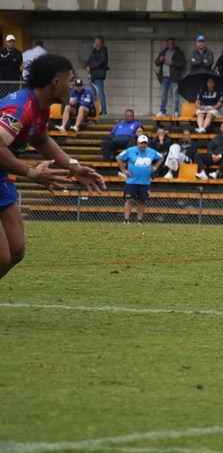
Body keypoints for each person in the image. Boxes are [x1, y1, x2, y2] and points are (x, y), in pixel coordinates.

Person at [0, 54, 106, 279]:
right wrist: (33, 172)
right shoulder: (20, 109)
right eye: (69, 80)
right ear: (56, 83)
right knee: (2, 256)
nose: (72, 87)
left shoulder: (41, 108)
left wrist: (74, 167)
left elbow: (42, 140)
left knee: (16, 250)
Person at [116, 133, 160, 224]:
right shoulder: (130, 150)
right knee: (129, 200)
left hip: (145, 181)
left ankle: (139, 220)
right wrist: (123, 170)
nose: (143, 145)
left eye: (145, 143)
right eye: (141, 143)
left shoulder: (151, 151)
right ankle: (126, 219)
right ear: (137, 143)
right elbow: (119, 158)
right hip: (132, 180)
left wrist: (155, 167)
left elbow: (161, 157)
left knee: (142, 201)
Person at [84, 36, 109, 116]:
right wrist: (87, 66)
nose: (93, 43)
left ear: (99, 43)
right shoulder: (94, 51)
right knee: (92, 93)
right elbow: (89, 60)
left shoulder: (103, 51)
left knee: (100, 93)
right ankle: (94, 109)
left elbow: (101, 62)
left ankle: (103, 110)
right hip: (93, 75)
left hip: (99, 75)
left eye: (94, 42)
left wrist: (91, 67)